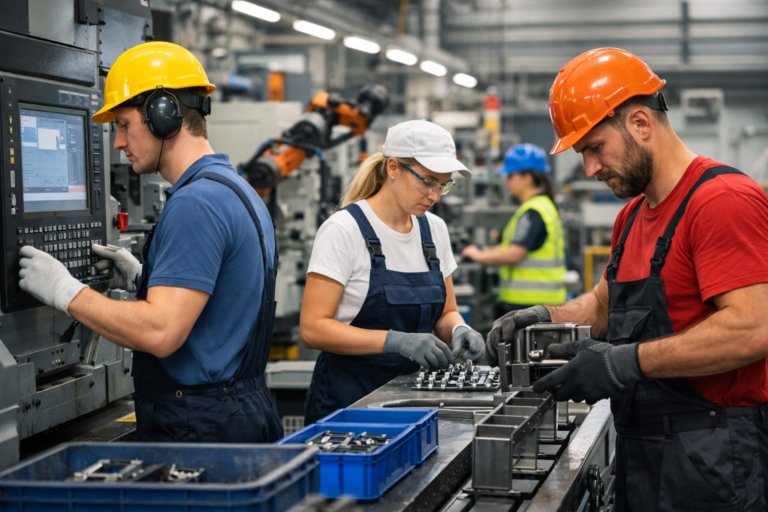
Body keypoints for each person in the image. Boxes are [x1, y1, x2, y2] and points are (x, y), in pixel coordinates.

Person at [486, 47, 768, 511]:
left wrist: (622, 363)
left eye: (595, 148)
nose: (589, 169)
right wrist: (543, 316)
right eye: (583, 154)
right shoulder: (634, 215)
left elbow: (753, 327)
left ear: (640, 124)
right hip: (644, 445)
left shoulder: (721, 201)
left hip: (716, 454)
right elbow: (603, 305)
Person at [18, 42, 283, 443]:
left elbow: (161, 332)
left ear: (164, 116)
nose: (118, 143)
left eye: (123, 125)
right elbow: (222, 303)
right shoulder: (235, 190)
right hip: (237, 412)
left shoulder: (197, 203)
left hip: (201, 424)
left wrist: (64, 291)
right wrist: (145, 278)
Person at [302, 120, 485, 424]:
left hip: (414, 399)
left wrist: (459, 329)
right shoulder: (344, 230)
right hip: (349, 403)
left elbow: (446, 313)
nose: (435, 196)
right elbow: (312, 328)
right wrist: (396, 341)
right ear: (392, 168)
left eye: (443, 184)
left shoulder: (434, 230)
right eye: (427, 181)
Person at [462, 143, 566, 312]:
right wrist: (485, 250)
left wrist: (479, 256)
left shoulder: (535, 210)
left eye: (510, 175)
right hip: (538, 303)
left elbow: (515, 253)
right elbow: (511, 247)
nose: (506, 181)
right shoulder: (540, 206)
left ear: (527, 177)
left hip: (533, 304)